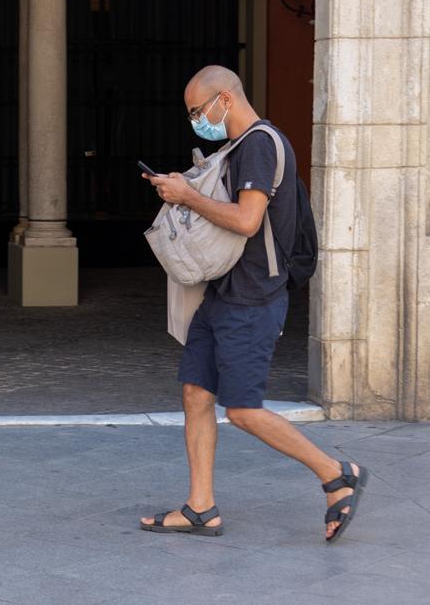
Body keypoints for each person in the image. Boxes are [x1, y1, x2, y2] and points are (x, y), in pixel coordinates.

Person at [139, 66, 367, 542]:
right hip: (224, 292)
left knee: (242, 409)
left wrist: (185, 196)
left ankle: (336, 473)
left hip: (253, 298)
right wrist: (188, 186)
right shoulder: (238, 147)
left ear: (224, 99)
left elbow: (246, 220)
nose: (196, 121)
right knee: (196, 394)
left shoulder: (261, 144)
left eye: (198, 112)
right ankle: (201, 508)